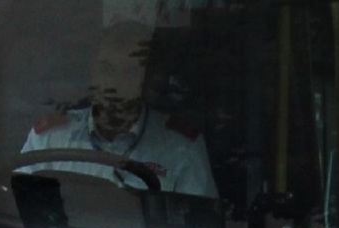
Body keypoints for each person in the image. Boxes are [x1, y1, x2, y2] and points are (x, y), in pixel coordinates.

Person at [18, 25, 217, 200]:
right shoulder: (49, 140)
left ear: (147, 80)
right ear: (92, 74)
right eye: (106, 69)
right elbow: (18, 212)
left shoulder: (180, 149)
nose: (115, 83)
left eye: (130, 72)